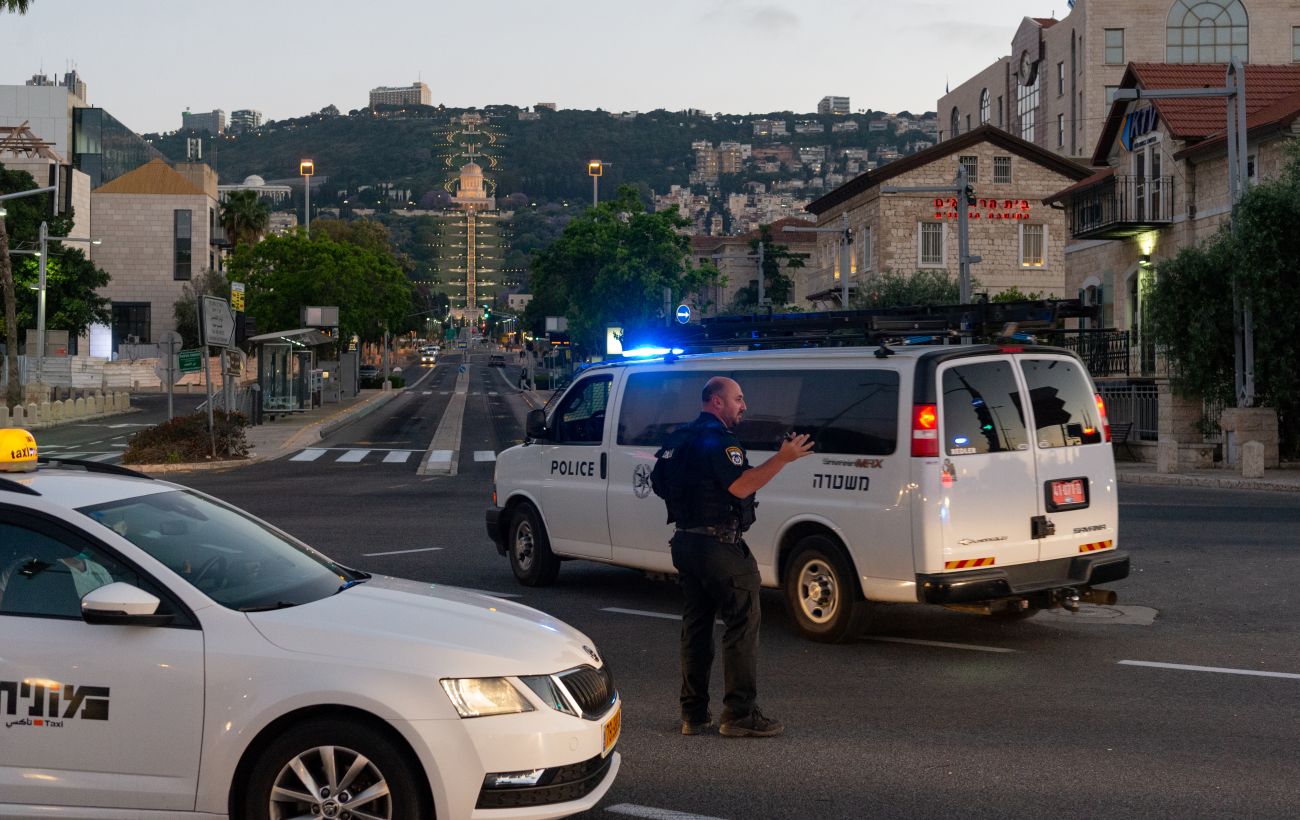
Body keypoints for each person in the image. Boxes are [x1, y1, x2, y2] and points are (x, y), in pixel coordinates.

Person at [657, 376, 813, 738]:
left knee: (696, 629)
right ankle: (739, 714)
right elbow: (742, 485)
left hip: (685, 542)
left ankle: (693, 714)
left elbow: (659, 484)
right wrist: (783, 458)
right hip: (719, 547)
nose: (744, 406)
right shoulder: (720, 441)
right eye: (738, 399)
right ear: (717, 402)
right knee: (742, 624)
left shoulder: (680, 438)